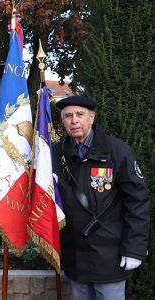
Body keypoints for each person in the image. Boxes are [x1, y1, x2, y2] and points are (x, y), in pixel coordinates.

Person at [52, 95, 150, 300]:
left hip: (109, 255)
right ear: (63, 121)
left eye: (80, 114)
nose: (74, 120)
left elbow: (137, 203)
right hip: (75, 253)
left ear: (92, 117)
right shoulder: (55, 154)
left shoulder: (117, 151)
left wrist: (134, 248)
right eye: (68, 116)